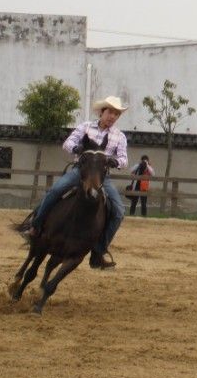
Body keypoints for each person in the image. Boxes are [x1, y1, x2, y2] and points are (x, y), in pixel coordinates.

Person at [25, 95, 128, 269]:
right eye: (110, 112)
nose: (112, 117)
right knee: (55, 190)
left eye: (116, 114)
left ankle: (98, 251)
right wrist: (76, 148)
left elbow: (124, 159)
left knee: (119, 211)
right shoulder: (85, 127)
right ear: (102, 112)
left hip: (102, 177)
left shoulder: (119, 136)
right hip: (79, 172)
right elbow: (68, 143)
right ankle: (35, 227)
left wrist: (115, 162)